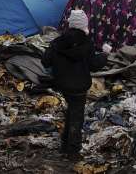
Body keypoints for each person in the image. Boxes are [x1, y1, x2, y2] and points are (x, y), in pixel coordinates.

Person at [42, 10, 109, 159]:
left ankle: (65, 143)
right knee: (77, 117)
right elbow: (94, 65)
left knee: (71, 112)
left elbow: (45, 61)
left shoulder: (58, 42)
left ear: (71, 24)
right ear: (84, 25)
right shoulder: (87, 43)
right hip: (79, 87)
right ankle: (73, 151)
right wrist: (104, 55)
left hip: (62, 85)